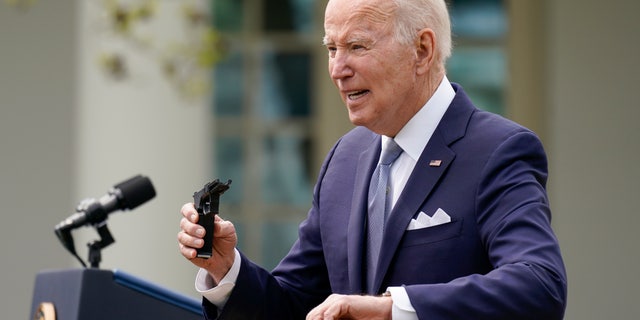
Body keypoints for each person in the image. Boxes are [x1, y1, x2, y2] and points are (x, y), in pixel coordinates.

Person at [177, 0, 568, 318]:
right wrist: (227, 269)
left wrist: (392, 310)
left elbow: (538, 284)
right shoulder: (345, 159)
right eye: (332, 48)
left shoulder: (498, 150)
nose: (337, 69)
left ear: (422, 50)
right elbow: (294, 304)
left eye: (357, 47)